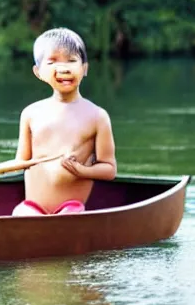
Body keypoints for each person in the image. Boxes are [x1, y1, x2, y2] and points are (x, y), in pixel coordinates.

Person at [10, 27, 116, 216]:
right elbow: (21, 162)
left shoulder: (97, 116)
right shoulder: (31, 114)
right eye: (52, 62)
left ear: (84, 68)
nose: (63, 68)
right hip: (33, 206)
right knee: (20, 214)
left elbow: (109, 169)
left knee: (67, 218)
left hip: (70, 208)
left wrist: (81, 170)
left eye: (72, 61)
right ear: (38, 72)